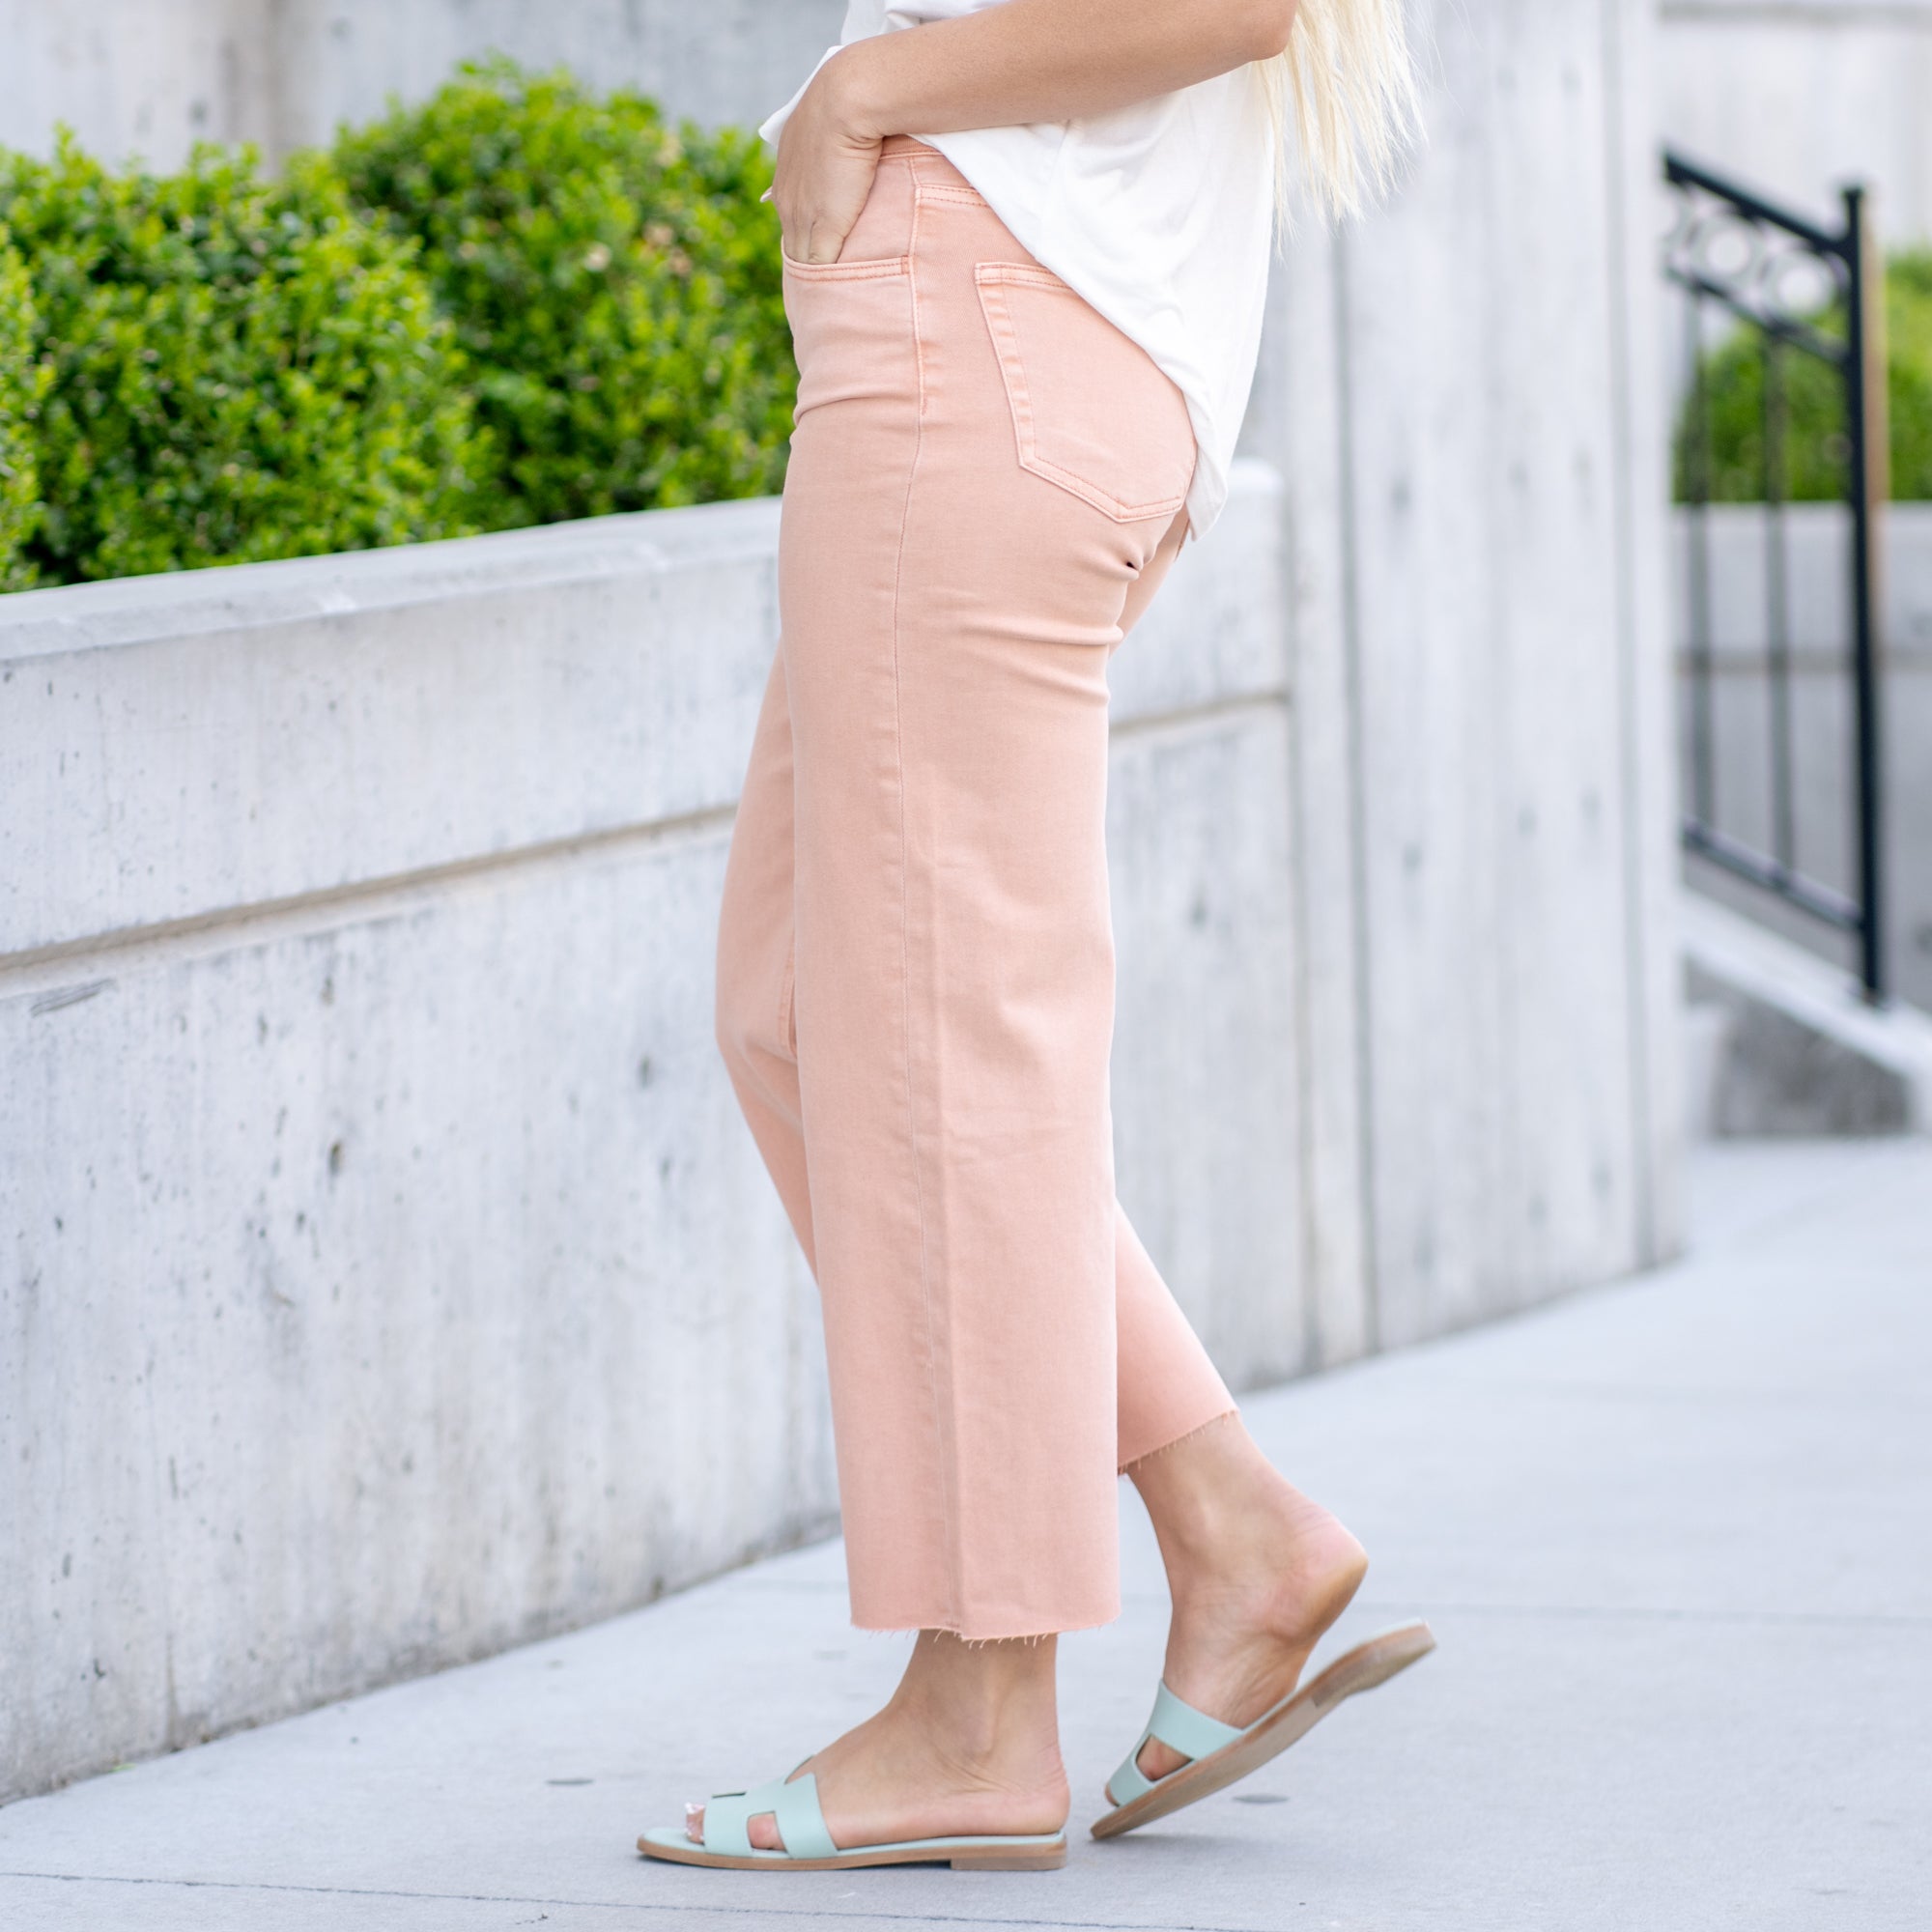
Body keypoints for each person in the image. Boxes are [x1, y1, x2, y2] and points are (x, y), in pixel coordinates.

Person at [639, 0, 1430, 1874]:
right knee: (803, 1013)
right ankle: (1231, 1522)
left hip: (984, 329)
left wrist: (862, 90)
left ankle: (979, 1710)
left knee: (942, 1032)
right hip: (1013, 341)